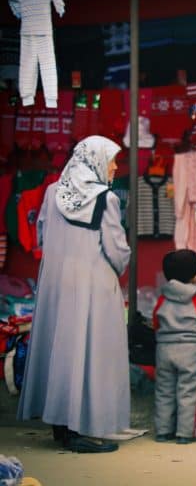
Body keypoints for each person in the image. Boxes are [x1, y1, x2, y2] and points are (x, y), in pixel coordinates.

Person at [17, 136, 130, 453]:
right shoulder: (105, 199)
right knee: (88, 351)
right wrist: (118, 266)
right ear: (95, 160)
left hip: (55, 281)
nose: (115, 167)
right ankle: (79, 426)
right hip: (92, 283)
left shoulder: (53, 193)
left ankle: (60, 425)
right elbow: (116, 248)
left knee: (60, 348)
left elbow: (41, 232)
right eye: (112, 160)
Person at [152, 249, 196, 445]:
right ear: (194, 276)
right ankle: (186, 433)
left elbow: (156, 323)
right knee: (189, 391)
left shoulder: (162, 299)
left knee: (164, 391)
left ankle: (163, 431)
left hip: (164, 350)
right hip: (191, 351)